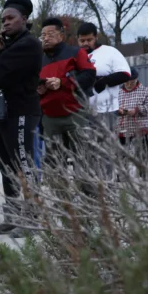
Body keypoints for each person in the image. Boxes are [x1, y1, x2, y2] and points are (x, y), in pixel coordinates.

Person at [0, 0, 43, 236]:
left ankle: (33, 219)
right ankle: (12, 217)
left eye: (11, 18)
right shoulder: (6, 46)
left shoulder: (29, 45)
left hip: (22, 112)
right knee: (6, 166)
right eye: (3, 19)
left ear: (24, 19)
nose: (5, 23)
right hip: (1, 114)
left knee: (23, 164)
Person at [37, 17, 96, 184]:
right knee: (54, 163)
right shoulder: (39, 60)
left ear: (61, 35)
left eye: (50, 34)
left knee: (83, 159)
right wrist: (38, 89)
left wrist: (63, 82)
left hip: (75, 113)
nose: (46, 38)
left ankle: (89, 202)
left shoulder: (76, 53)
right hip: (50, 118)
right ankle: (62, 205)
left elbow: (89, 75)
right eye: (43, 35)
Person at [77, 22, 131, 178]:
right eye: (82, 40)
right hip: (82, 110)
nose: (85, 43)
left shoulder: (109, 52)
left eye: (89, 40)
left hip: (105, 110)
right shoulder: (76, 55)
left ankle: (107, 184)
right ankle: (90, 186)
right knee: (86, 151)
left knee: (105, 150)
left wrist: (105, 81)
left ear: (96, 37)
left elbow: (125, 73)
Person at [117, 68, 148, 177]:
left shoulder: (144, 90)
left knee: (142, 153)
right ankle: (122, 176)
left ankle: (143, 175)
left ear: (136, 79)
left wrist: (136, 110)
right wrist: (118, 111)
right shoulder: (118, 92)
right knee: (122, 153)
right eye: (126, 82)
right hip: (123, 127)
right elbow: (112, 107)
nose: (129, 84)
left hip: (140, 127)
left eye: (132, 82)